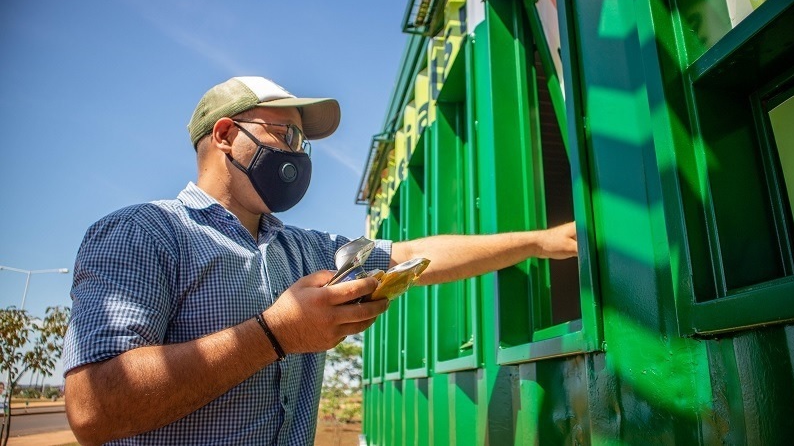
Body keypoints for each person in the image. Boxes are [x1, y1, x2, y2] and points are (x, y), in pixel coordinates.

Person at [63, 76, 577, 445]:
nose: (298, 154)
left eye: (304, 143)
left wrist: (538, 242)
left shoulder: (306, 248)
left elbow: (414, 256)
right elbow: (92, 408)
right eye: (286, 135)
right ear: (224, 135)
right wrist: (275, 335)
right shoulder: (143, 233)